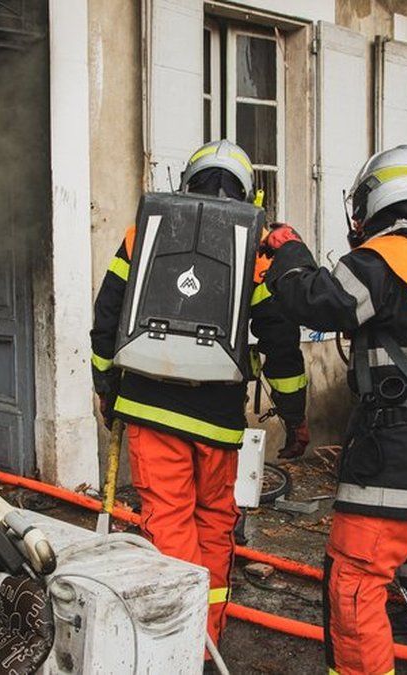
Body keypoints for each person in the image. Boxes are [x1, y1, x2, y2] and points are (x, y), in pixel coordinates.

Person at [261, 145, 407, 675]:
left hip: (393, 463)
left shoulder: (388, 257)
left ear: (373, 199)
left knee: (356, 583)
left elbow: (314, 301)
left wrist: (289, 251)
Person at [89, 139, 308, 662]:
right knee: (214, 526)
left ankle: (175, 650)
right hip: (218, 421)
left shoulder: (144, 231)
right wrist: (295, 416)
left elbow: (107, 317)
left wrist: (107, 389)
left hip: (149, 411)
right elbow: (280, 341)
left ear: (186, 182)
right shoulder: (254, 247)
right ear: (249, 192)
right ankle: (206, 648)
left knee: (168, 527)